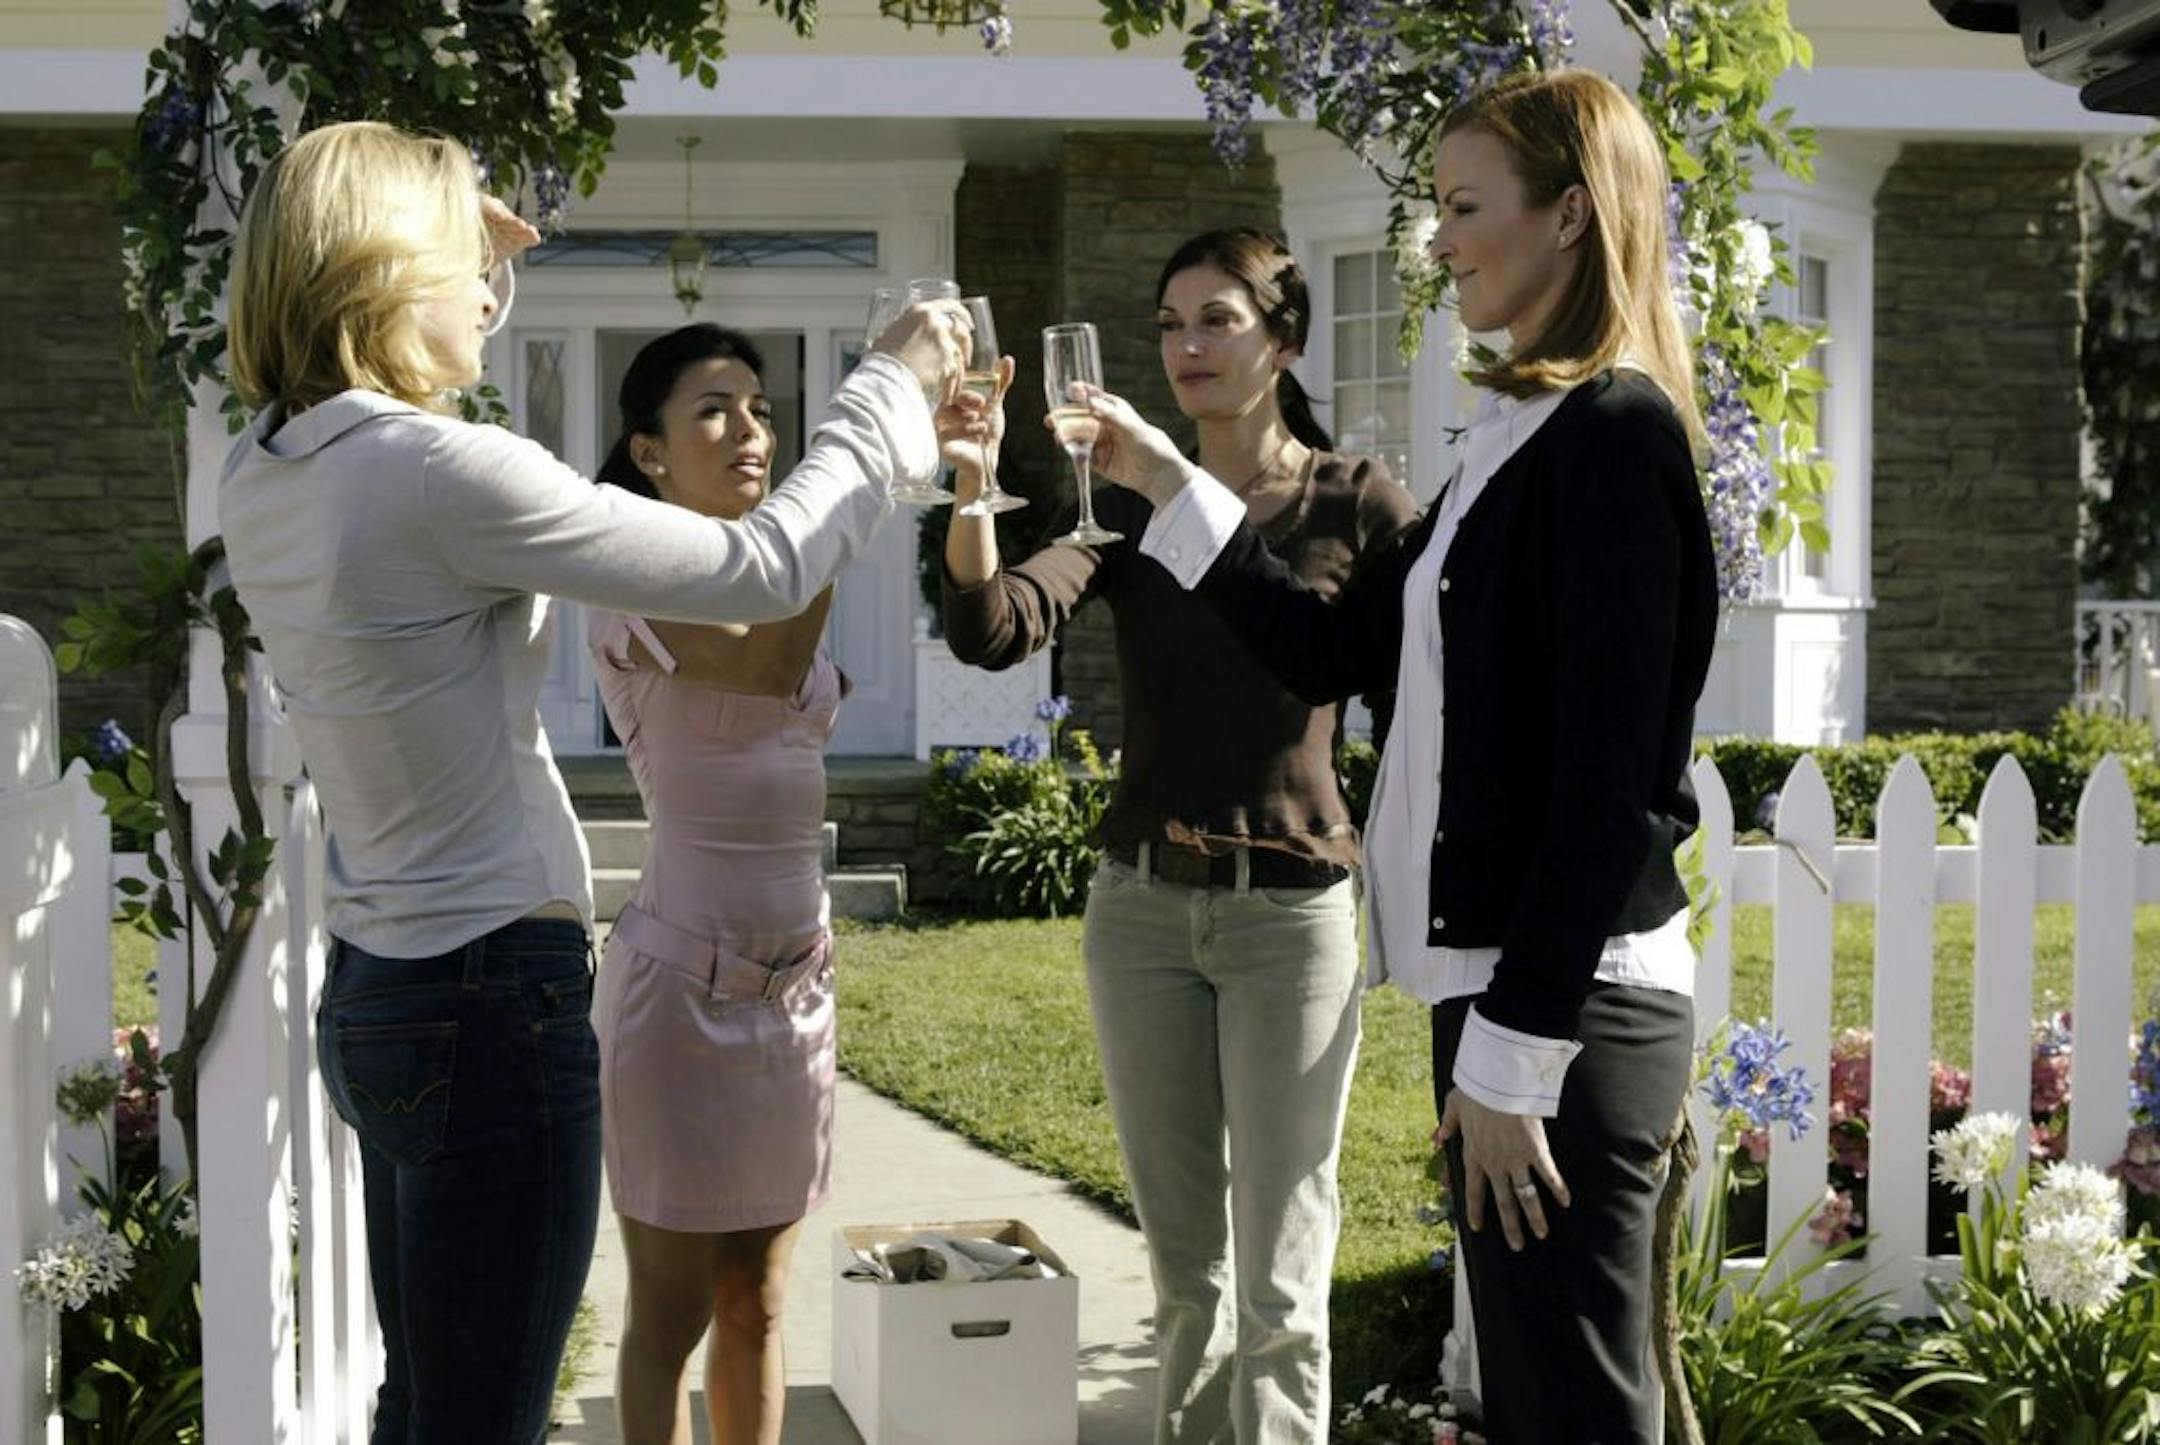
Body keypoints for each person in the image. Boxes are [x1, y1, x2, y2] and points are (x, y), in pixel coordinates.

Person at [218, 120, 968, 1444]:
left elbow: (417, 418)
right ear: (391, 272)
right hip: (492, 1004)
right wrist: (883, 385)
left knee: (431, 1402)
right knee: (482, 1419)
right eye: (464, 268)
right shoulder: (432, 473)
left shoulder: (269, 469)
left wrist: (478, 269)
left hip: (384, 995)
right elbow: (761, 572)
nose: (489, 297)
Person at [1083, 72, 1717, 1444]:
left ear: (1569, 216)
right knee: (1541, 1402)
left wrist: (1516, 1054)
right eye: (1437, 208)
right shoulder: (1511, 442)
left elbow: (1619, 782)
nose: (1438, 242)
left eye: (1465, 207)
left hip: (1568, 1009)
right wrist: (1159, 481)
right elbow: (1323, 648)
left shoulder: (1610, 438)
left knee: (1579, 1408)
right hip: (1499, 998)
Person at [941, 229, 1421, 1442]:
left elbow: (1387, 671)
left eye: (1217, 319)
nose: (1187, 345)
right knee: (1188, 1274)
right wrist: (969, 491)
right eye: (1168, 323)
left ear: (1285, 340)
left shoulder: (1354, 501)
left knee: (1279, 1274)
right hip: (1143, 911)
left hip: (1290, 915)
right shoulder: (1117, 502)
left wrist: (1168, 482)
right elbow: (998, 624)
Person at [584, 324, 848, 1445]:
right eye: (713, 409)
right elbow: (765, 662)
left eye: (760, 409)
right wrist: (855, 486)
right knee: (675, 1312)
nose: (749, 430)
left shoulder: (771, 563)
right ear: (648, 450)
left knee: (761, 1301)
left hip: (796, 996)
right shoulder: (630, 573)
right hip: (680, 1002)